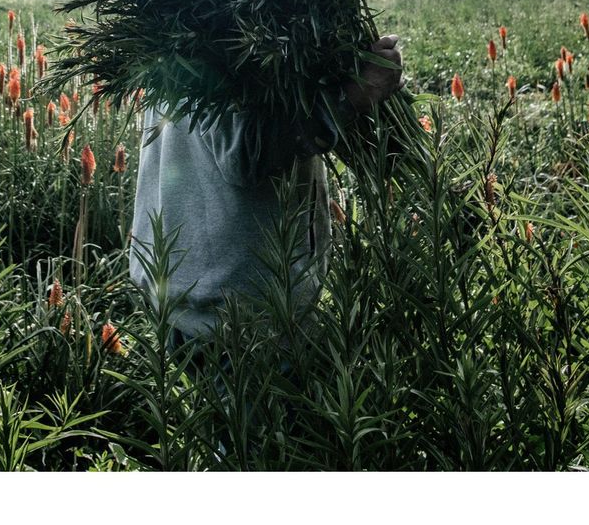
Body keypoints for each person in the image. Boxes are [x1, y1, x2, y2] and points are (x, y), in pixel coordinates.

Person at [128, 35, 404, 343]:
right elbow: (246, 152)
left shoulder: (180, 19)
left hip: (191, 288)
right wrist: (350, 97)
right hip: (242, 314)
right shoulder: (225, 27)